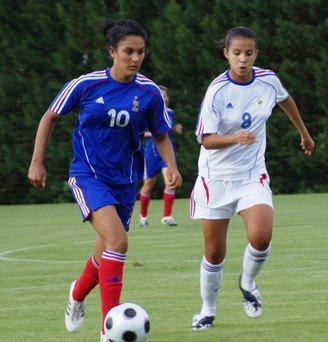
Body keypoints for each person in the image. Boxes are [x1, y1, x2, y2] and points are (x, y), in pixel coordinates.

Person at [27, 18, 182, 342]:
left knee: (105, 253)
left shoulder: (150, 92)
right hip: (88, 175)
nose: (136, 58)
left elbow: (162, 135)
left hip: (126, 182)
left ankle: (78, 293)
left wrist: (171, 166)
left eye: (141, 52)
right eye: (128, 51)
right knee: (119, 242)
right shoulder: (86, 85)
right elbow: (50, 116)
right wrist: (37, 161)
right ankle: (107, 332)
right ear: (112, 51)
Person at [189, 26, 315, 330]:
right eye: (236, 53)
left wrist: (304, 132)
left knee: (261, 235)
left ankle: (248, 284)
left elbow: (285, 99)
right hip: (215, 179)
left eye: (248, 53)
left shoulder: (268, 80)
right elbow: (205, 139)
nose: (242, 59)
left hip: (251, 175)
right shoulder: (217, 90)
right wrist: (235, 138)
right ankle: (207, 311)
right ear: (226, 55)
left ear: (255, 53)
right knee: (214, 252)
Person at [139, 85, 183, 227]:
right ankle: (143, 217)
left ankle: (167, 216)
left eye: (165, 95)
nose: (164, 98)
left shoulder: (170, 112)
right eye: (161, 95)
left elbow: (166, 131)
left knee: (171, 181)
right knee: (148, 184)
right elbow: (140, 132)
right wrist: (153, 133)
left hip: (166, 155)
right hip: (151, 154)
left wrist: (174, 128)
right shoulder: (147, 112)